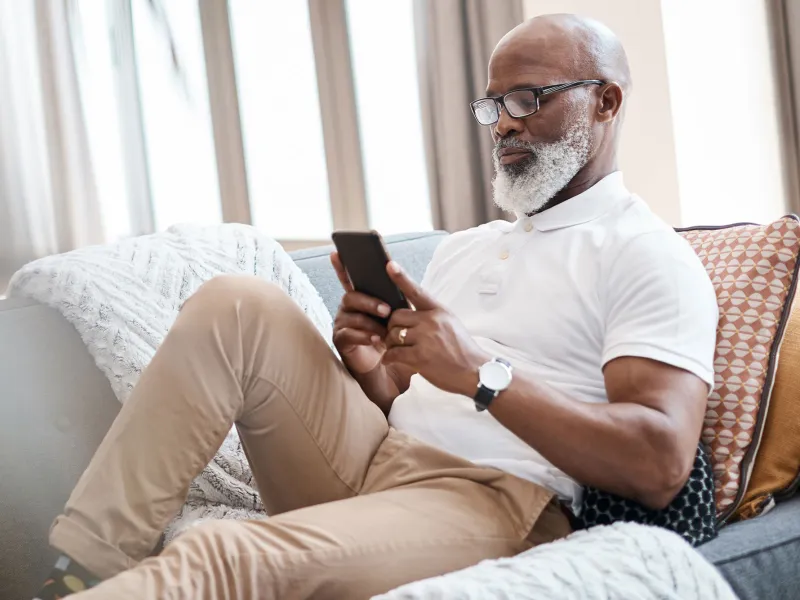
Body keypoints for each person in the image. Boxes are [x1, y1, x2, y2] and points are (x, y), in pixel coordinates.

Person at [34, 12, 718, 600]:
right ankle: (81, 568)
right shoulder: (467, 249)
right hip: (379, 463)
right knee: (236, 304)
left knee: (224, 554)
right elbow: (410, 400)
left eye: (531, 98)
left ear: (606, 101)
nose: (504, 124)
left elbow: (658, 465)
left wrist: (482, 373)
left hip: (497, 499)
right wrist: (371, 371)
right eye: (493, 104)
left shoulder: (643, 252)